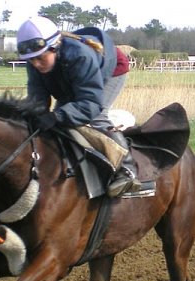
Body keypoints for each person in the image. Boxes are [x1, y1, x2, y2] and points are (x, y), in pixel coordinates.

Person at [16, 16, 141, 198]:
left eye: (40, 58)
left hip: (111, 69)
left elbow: (90, 104)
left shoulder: (80, 55)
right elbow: (37, 100)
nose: (36, 64)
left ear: (55, 46)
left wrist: (56, 116)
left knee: (95, 117)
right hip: (71, 75)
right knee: (58, 122)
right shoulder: (36, 62)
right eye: (31, 60)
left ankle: (126, 169)